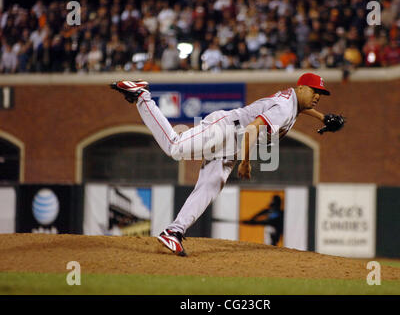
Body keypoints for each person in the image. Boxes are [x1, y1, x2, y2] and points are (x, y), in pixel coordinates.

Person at [110, 73, 345, 256]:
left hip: (231, 141)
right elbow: (253, 128)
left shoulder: (293, 102)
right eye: (315, 91)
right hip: (226, 131)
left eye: (321, 94)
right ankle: (142, 96)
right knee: (176, 147)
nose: (318, 96)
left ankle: (174, 232)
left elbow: (302, 108)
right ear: (301, 87)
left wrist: (323, 117)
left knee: (211, 185)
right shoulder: (285, 108)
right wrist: (245, 163)